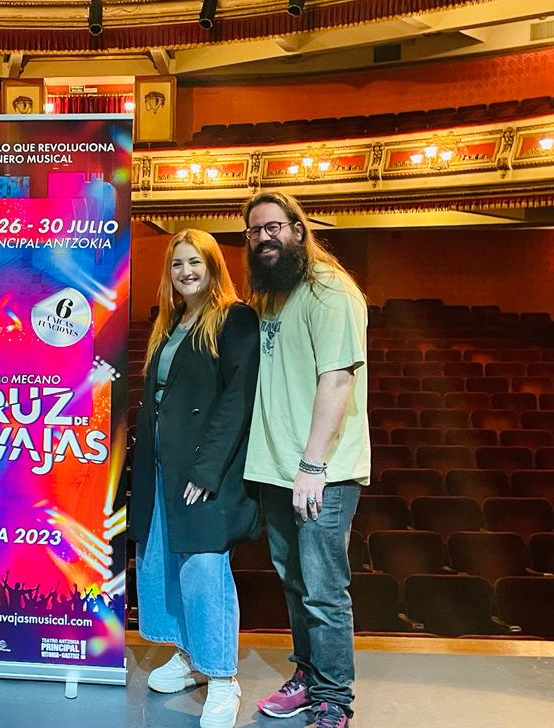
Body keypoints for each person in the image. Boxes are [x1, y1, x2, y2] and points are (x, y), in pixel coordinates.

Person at [241, 192, 369, 728]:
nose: (264, 238)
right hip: (277, 471)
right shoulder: (272, 294)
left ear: (297, 228)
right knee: (295, 583)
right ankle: (309, 676)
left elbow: (337, 380)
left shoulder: (330, 290)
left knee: (322, 590)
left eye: (274, 227)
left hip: (322, 473)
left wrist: (313, 465)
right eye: (253, 232)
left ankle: (334, 701)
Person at [128, 229, 261, 728]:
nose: (185, 272)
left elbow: (236, 399)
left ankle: (223, 677)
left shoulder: (234, 318)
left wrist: (207, 469)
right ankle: (189, 657)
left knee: (205, 568)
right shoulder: (171, 322)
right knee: (163, 560)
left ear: (212, 268)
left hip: (206, 468)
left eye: (195, 263)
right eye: (178, 264)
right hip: (162, 465)